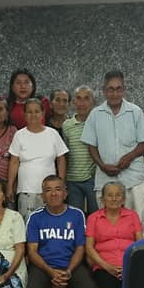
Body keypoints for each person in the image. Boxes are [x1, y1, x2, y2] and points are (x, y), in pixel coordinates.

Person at [25, 175, 98, 288]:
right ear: (42, 195)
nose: (53, 194)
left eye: (58, 189)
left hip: (71, 264)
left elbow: (80, 248)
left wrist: (68, 271)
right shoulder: (35, 217)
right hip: (43, 266)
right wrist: (50, 271)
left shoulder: (77, 214)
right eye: (48, 190)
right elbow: (32, 251)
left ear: (65, 193)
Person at [82, 70, 144, 218]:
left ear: (124, 90)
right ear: (104, 91)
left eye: (118, 89)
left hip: (134, 178)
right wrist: (102, 165)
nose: (115, 93)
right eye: (110, 89)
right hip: (105, 178)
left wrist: (130, 157)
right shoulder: (95, 114)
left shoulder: (135, 112)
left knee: (138, 220)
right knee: (107, 220)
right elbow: (91, 146)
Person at [8, 98, 69, 220]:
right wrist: (10, 185)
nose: (33, 115)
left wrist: (61, 183)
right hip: (26, 189)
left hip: (50, 190)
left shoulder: (52, 134)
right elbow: (14, 162)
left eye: (37, 111)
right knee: (28, 222)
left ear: (43, 113)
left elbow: (61, 159)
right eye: (29, 112)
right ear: (24, 115)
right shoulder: (19, 135)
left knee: (50, 221)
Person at [85, 181, 143, 288]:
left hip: (130, 266)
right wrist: (107, 267)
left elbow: (140, 244)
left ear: (123, 199)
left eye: (118, 195)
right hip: (103, 267)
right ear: (102, 199)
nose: (114, 198)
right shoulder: (93, 218)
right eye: (110, 195)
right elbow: (89, 247)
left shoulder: (132, 216)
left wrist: (129, 266)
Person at [61, 85, 98, 214]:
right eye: (78, 98)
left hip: (93, 179)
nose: (82, 103)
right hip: (73, 180)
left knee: (95, 215)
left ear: (93, 102)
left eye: (86, 98)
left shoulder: (98, 123)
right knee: (75, 215)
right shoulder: (67, 125)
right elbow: (66, 153)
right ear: (73, 102)